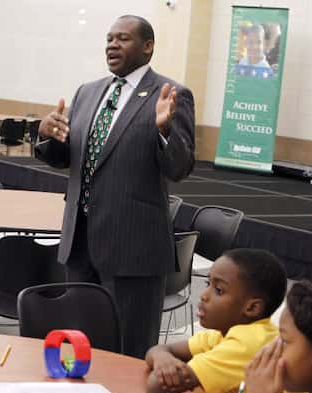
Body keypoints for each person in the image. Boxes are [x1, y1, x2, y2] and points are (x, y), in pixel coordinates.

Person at [35, 15, 196, 360]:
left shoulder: (171, 94)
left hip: (133, 250)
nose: (112, 45)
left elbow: (180, 168)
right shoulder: (88, 92)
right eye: (109, 38)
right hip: (79, 243)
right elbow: (69, 158)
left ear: (147, 46)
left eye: (122, 38)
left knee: (129, 352)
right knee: (80, 346)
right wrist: (47, 135)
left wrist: (165, 131)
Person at [145, 249, 309, 393]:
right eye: (208, 284)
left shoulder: (245, 343)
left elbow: (156, 388)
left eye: (219, 290)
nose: (203, 295)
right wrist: (163, 359)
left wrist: (164, 363)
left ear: (252, 308)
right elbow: (158, 349)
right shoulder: (223, 333)